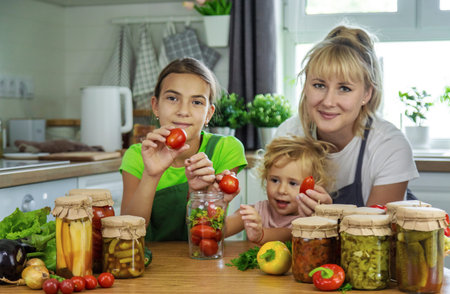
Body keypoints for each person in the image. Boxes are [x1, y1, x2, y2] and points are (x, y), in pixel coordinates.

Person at [274, 24, 419, 215]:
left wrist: (329, 218)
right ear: (305, 85)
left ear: (367, 93)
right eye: (319, 85)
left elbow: (379, 235)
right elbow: (275, 218)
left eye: (344, 88)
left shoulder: (390, 146)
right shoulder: (288, 134)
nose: (328, 101)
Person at [120, 58, 247, 241]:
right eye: (172, 98)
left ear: (208, 114)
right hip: (147, 262)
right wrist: (152, 174)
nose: (183, 111)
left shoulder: (225, 149)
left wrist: (204, 195)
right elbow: (127, 231)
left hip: (202, 259)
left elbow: (209, 232)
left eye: (196, 102)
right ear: (155, 106)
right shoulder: (136, 155)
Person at [224, 136, 334, 244]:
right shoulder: (258, 211)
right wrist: (219, 202)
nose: (281, 190)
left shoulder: (309, 220)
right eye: (275, 180)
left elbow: (289, 234)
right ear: (266, 178)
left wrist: (261, 234)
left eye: (292, 183)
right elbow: (218, 231)